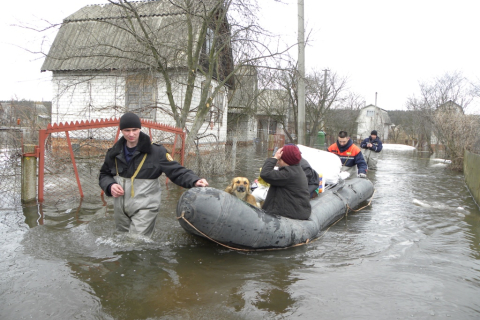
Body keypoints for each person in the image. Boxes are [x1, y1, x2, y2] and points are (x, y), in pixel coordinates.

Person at [99, 112, 209, 237]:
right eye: (127, 130)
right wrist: (110, 185)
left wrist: (194, 181)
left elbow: (176, 170)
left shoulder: (156, 151)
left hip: (145, 207)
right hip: (121, 209)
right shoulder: (114, 152)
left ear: (140, 129)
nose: (131, 134)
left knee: (136, 242)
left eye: (135, 130)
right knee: (121, 240)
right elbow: (104, 174)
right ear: (121, 131)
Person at [260, 144, 311, 220]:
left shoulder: (288, 174)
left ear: (285, 160)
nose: (278, 162)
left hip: (291, 214)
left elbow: (265, 173)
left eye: (279, 160)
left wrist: (274, 158)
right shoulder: (297, 170)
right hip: (299, 211)